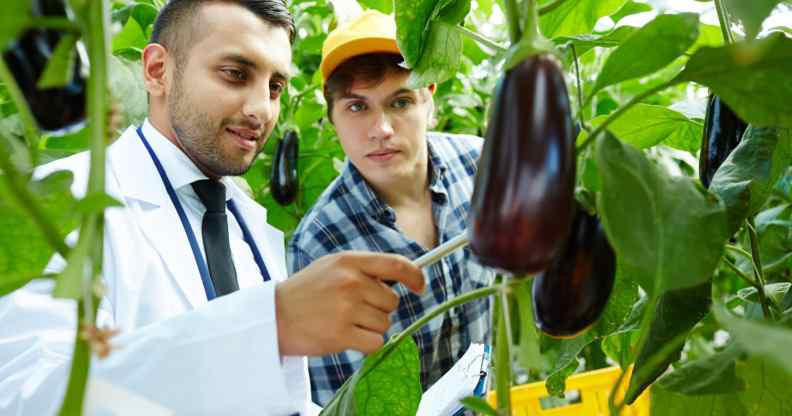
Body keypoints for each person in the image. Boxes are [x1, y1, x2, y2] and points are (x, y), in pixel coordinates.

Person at [0, 2, 426, 415]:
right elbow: (30, 398)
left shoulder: (247, 222)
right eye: (235, 74)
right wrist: (270, 325)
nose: (262, 108)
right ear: (157, 71)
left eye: (275, 87)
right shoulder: (48, 206)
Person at [287, 10, 494, 406]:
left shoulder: (482, 167)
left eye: (399, 102)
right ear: (331, 117)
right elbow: (344, 404)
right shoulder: (319, 246)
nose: (381, 129)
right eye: (356, 107)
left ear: (428, 99)